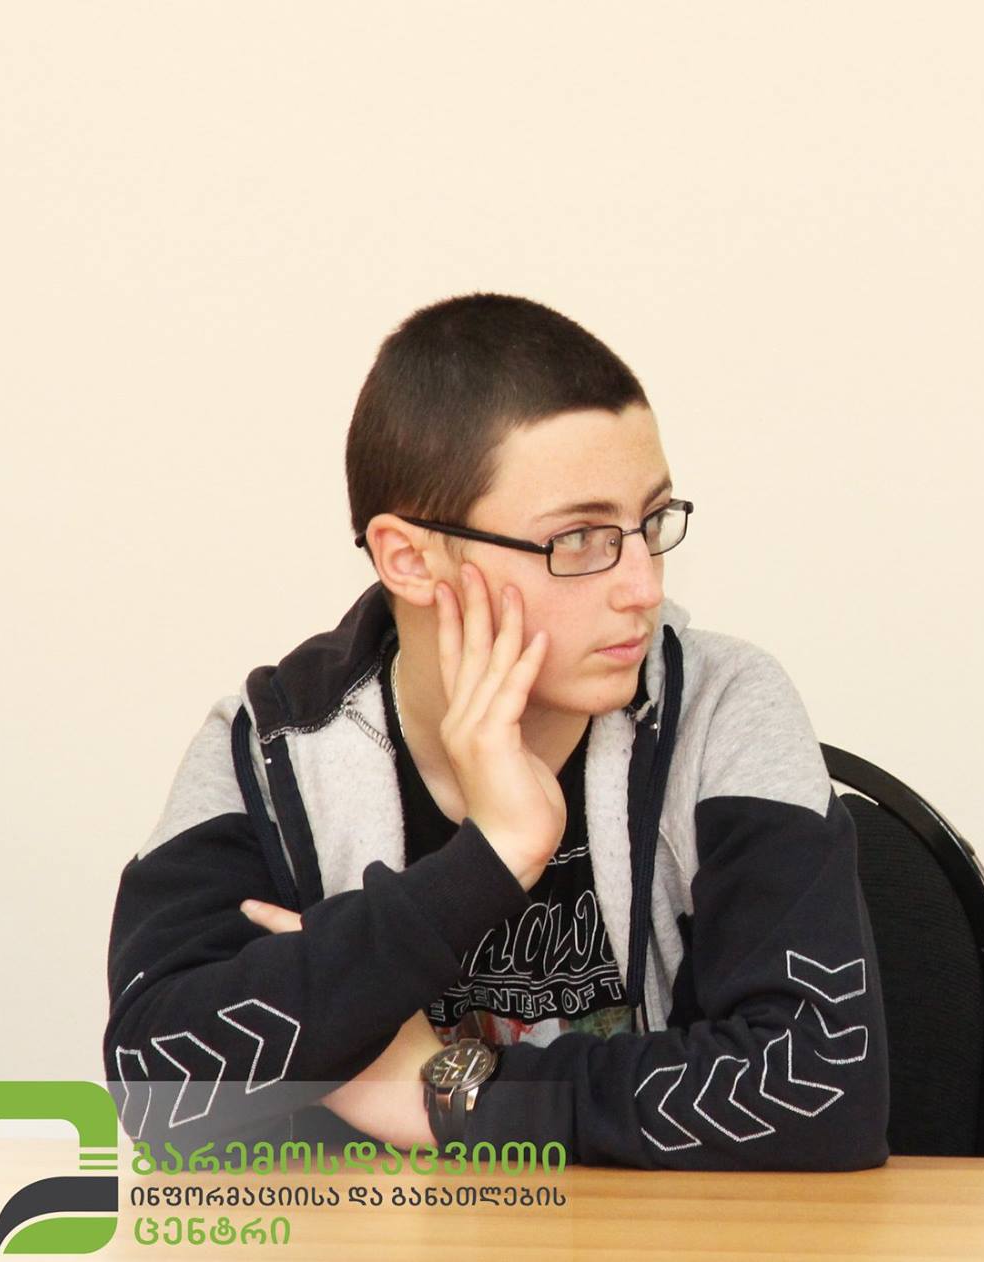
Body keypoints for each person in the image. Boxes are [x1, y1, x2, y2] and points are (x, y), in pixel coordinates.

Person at [103, 294, 888, 1169]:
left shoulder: (721, 707)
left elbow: (826, 1091)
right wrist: (490, 859)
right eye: (579, 538)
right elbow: (157, 1088)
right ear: (410, 558)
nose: (643, 586)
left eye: (651, 522)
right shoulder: (273, 749)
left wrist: (454, 1096)